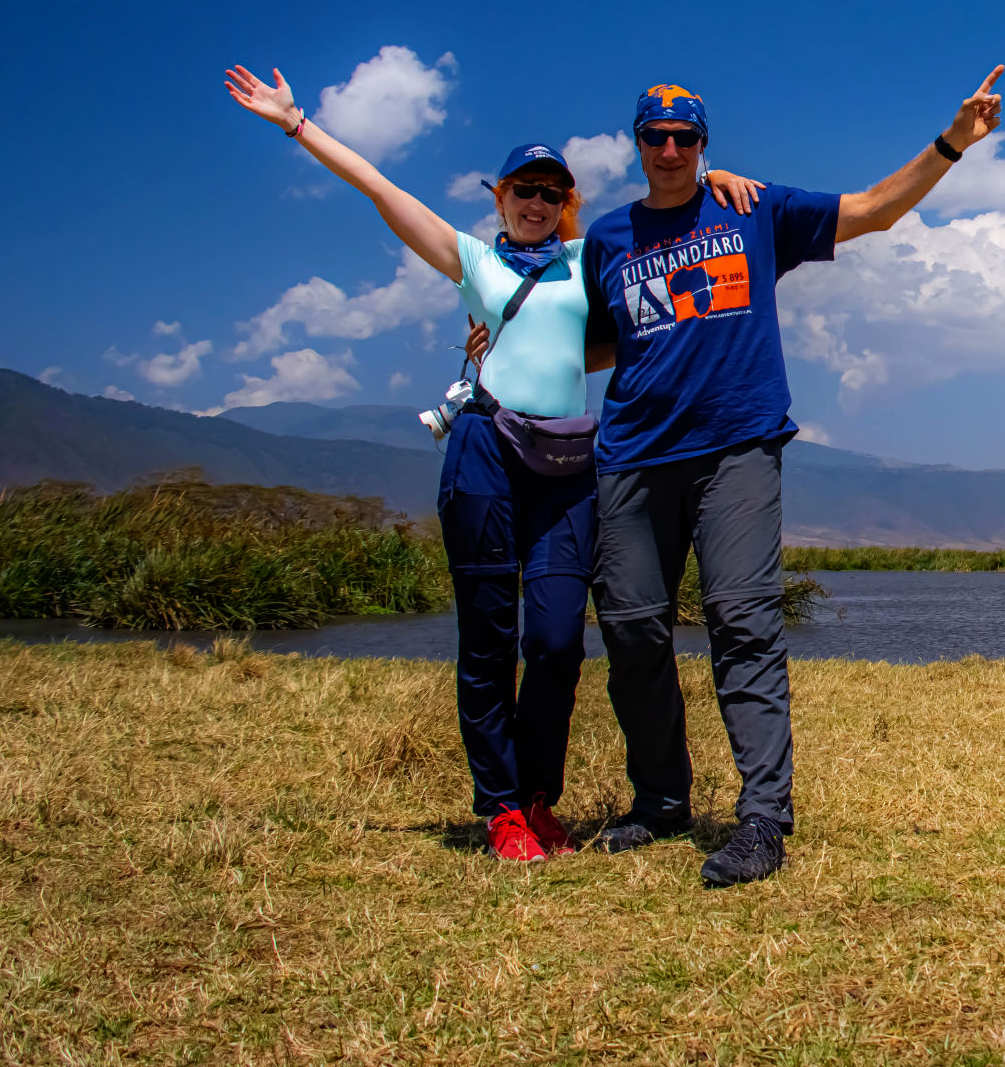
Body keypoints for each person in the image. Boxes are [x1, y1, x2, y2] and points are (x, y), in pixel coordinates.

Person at [221, 64, 761, 862]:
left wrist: (710, 178)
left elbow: (658, 248)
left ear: (566, 203)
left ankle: (539, 797)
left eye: (551, 192)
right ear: (501, 197)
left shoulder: (586, 258)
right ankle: (504, 810)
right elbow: (378, 187)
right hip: (484, 450)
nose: (537, 202)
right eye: (523, 190)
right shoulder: (474, 260)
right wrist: (298, 124)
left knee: (555, 641)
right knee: (487, 637)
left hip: (567, 462)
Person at [585, 67, 1004, 885]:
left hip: (736, 448)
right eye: (654, 137)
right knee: (632, 630)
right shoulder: (607, 238)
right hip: (632, 455)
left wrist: (954, 141)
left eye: (684, 138)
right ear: (636, 143)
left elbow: (874, 210)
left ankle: (762, 820)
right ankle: (661, 801)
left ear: (703, 144)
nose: (669, 151)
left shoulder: (752, 210)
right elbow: (603, 343)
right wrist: (504, 349)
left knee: (742, 623)